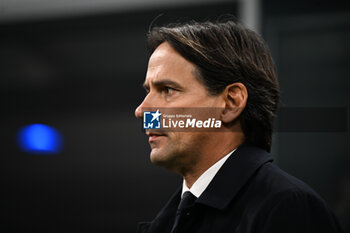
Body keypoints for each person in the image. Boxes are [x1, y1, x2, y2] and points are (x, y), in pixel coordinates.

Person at [134, 19, 344, 233]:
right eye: (148, 91)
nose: (142, 110)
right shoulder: (170, 221)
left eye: (168, 90)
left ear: (231, 103)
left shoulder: (288, 208)